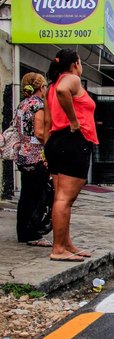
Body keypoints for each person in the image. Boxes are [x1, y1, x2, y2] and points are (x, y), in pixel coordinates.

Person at [44, 48, 98, 262]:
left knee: (60, 198)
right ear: (76, 63)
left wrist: (48, 146)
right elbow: (63, 92)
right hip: (72, 141)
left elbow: (48, 121)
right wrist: (74, 121)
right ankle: (58, 248)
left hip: (57, 141)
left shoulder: (52, 85)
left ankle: (66, 244)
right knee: (65, 199)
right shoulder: (70, 80)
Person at [14, 73, 52, 247]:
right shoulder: (38, 104)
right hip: (35, 155)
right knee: (37, 195)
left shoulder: (22, 104)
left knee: (26, 195)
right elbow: (38, 131)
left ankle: (23, 231)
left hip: (22, 153)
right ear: (41, 87)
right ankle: (32, 233)